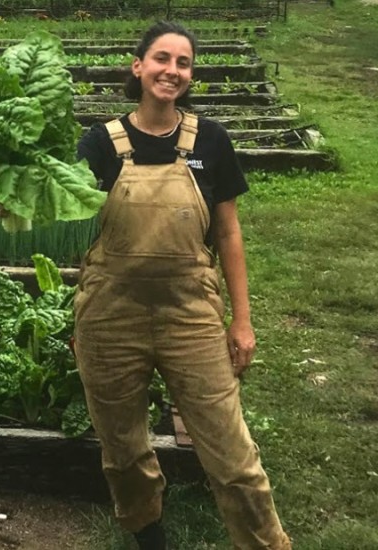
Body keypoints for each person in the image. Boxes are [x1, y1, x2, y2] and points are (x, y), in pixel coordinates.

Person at [71, 21, 292, 550]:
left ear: (190, 75)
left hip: (189, 313)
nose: (172, 70)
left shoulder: (209, 141)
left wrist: (241, 319)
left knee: (231, 454)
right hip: (111, 314)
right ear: (138, 66)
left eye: (183, 63)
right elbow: (63, 214)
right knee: (122, 450)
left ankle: (265, 543)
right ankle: (149, 536)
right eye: (162, 59)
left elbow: (229, 232)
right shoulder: (100, 143)